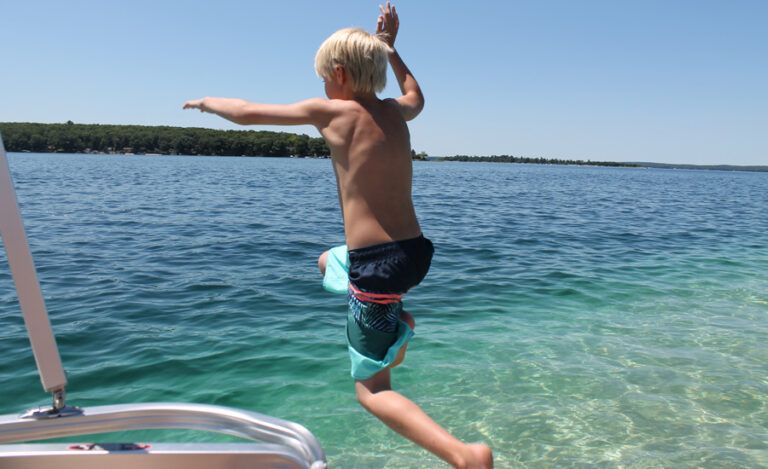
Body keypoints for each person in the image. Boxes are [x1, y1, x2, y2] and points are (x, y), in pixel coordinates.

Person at [183, 3, 492, 467]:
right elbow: (417, 95)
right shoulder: (396, 112)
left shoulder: (332, 112)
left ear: (341, 75)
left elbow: (247, 113)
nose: (322, 86)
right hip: (413, 253)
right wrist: (392, 48)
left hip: (379, 268)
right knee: (328, 261)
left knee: (371, 391)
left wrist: (207, 103)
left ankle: (465, 455)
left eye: (324, 76)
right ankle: (394, 324)